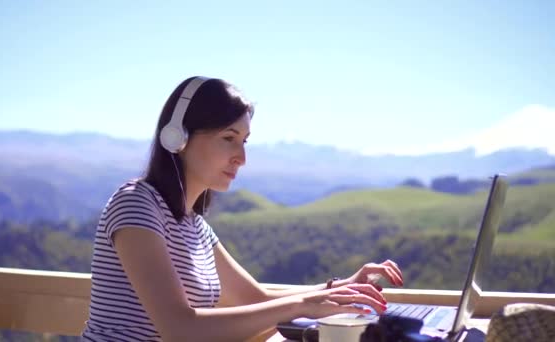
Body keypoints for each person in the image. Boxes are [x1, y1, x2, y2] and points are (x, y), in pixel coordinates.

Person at [81, 76, 404, 341]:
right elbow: (179, 328)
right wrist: (303, 304)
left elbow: (256, 299)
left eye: (244, 141)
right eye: (228, 138)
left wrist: (341, 288)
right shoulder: (136, 204)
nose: (241, 157)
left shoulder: (196, 228)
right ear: (177, 137)